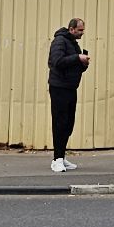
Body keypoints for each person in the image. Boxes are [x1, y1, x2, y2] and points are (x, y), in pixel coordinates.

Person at [47, 17, 89, 172]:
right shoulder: (59, 41)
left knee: (68, 124)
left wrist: (83, 64)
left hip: (70, 87)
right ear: (71, 29)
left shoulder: (73, 43)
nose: (82, 33)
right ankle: (56, 159)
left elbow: (73, 66)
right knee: (60, 123)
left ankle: (62, 157)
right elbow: (57, 61)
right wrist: (77, 57)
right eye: (80, 30)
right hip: (59, 88)